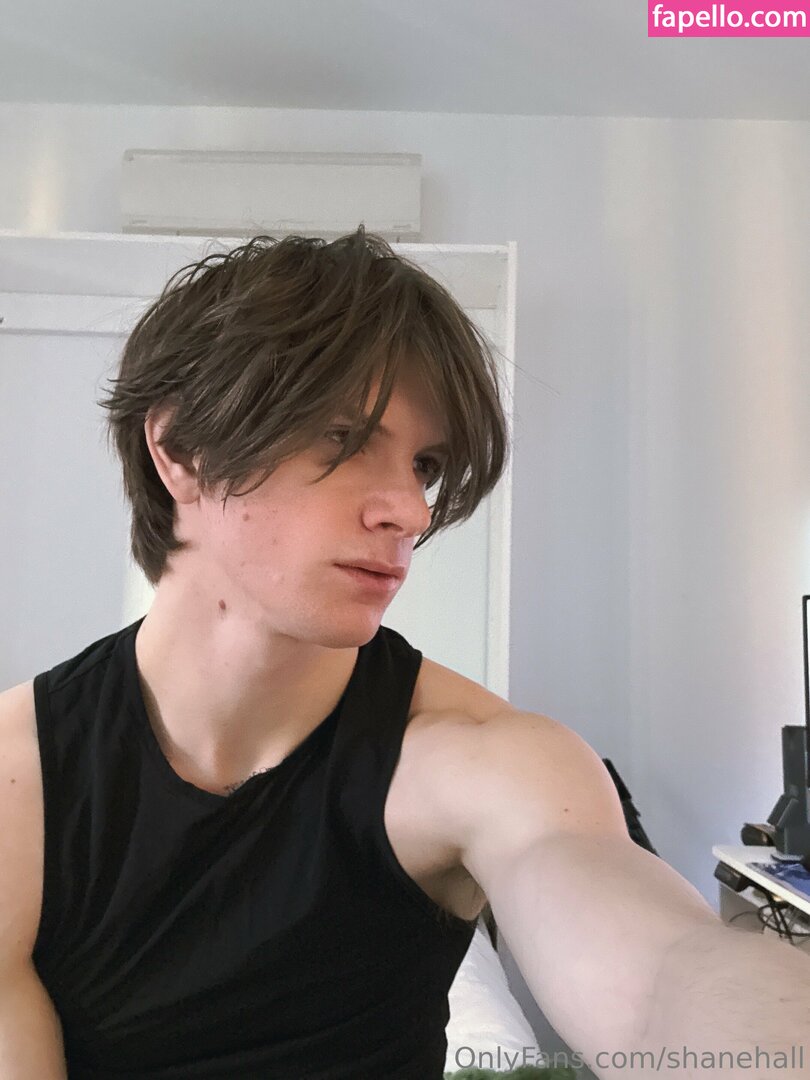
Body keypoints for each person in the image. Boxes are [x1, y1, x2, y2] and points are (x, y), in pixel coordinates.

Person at [0, 229, 807, 1080]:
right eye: (343, 439)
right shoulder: (22, 781)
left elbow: (660, 980)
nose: (412, 512)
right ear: (180, 451)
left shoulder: (479, 759)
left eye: (424, 464)